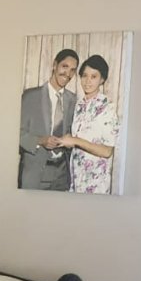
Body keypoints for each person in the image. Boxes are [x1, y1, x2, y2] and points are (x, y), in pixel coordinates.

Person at [51, 54, 119, 195]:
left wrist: (75, 141)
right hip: (75, 180)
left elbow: (107, 151)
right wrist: (65, 140)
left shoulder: (107, 107)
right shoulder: (79, 105)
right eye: (84, 76)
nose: (88, 81)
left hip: (95, 183)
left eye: (94, 77)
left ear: (102, 80)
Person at [18, 48, 79, 191]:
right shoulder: (30, 96)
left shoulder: (73, 100)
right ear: (55, 65)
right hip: (35, 174)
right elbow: (16, 134)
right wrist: (40, 140)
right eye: (64, 66)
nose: (68, 74)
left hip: (62, 176)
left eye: (72, 70)